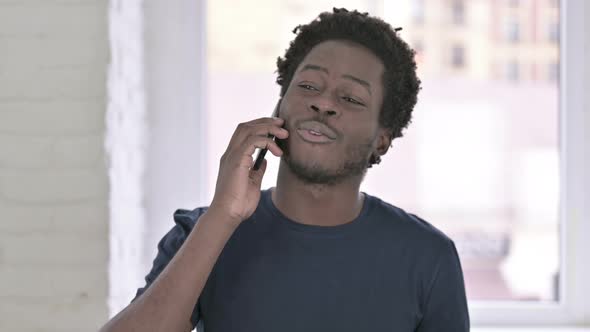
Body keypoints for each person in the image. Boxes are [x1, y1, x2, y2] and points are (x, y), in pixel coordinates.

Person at [100, 8, 469, 332]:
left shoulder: (428, 260)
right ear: (278, 108)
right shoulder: (200, 234)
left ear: (382, 140)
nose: (323, 103)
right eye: (308, 85)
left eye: (351, 98)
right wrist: (222, 217)